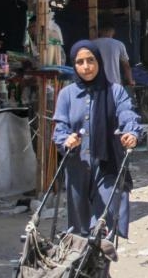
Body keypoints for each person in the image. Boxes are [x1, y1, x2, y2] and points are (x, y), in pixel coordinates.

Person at [53, 41, 141, 238]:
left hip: (107, 163)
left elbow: (128, 114)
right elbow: (60, 127)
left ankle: (101, 266)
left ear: (99, 62)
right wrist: (66, 139)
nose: (86, 67)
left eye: (91, 60)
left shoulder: (115, 91)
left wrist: (131, 132)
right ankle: (82, 267)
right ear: (74, 65)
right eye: (80, 62)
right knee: (79, 227)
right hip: (77, 165)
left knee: (106, 223)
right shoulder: (67, 94)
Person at [93, 15, 135, 87]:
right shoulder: (119, 44)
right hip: (114, 85)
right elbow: (126, 66)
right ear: (113, 31)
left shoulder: (92, 44)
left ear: (99, 31)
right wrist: (130, 81)